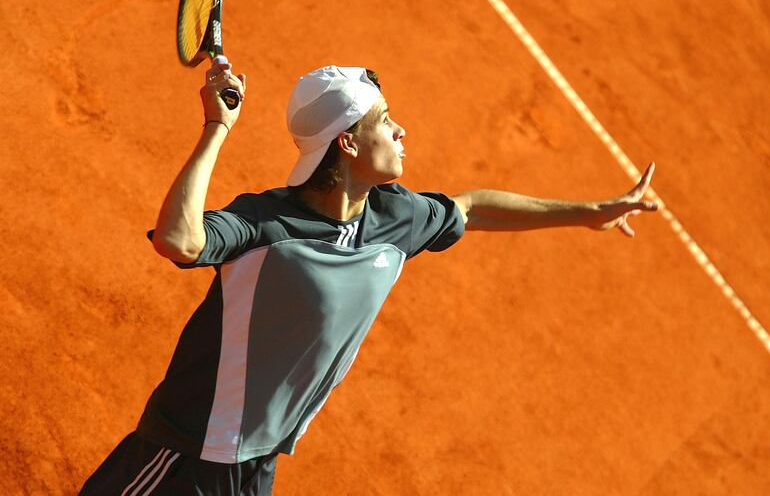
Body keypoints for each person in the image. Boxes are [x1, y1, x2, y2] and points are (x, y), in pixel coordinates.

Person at [79, 59, 659, 495]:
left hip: (258, 463)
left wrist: (590, 213)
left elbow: (473, 208)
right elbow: (180, 240)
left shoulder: (395, 217)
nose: (402, 130)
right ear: (348, 141)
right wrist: (216, 127)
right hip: (187, 451)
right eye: (386, 121)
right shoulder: (270, 224)